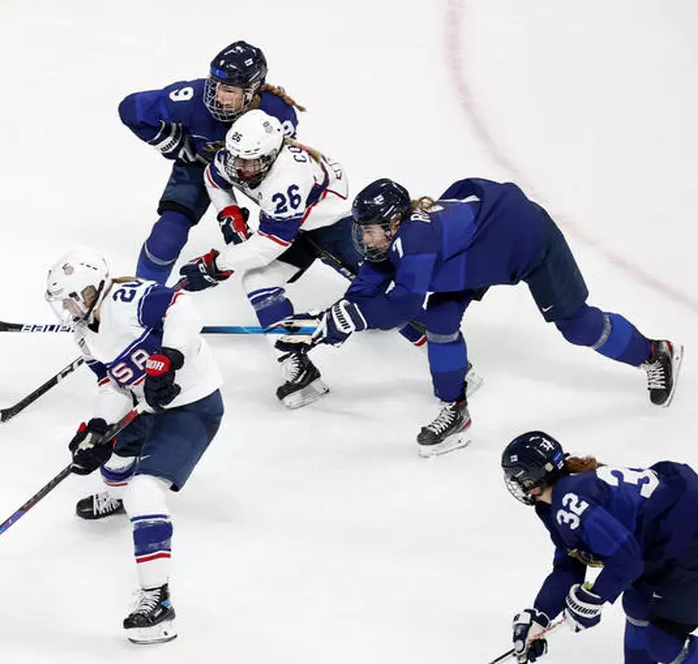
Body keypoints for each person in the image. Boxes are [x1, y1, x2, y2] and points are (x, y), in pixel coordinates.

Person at [277, 177, 682, 456]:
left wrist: (338, 321)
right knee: (441, 322)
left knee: (577, 325)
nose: (364, 239)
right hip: (473, 256)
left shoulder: (416, 240)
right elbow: (362, 295)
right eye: (362, 230)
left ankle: (654, 353)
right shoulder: (390, 241)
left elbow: (403, 306)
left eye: (370, 231)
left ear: (395, 223)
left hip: (527, 242)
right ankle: (455, 410)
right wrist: (318, 328)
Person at [175, 109, 468, 408]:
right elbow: (214, 177)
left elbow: (269, 245)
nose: (241, 168)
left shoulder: (287, 179)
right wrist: (229, 216)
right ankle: (297, 366)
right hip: (297, 228)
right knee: (258, 279)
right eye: (237, 159)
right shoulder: (240, 159)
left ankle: (452, 364)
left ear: (272, 155)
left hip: (336, 228)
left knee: (381, 298)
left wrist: (218, 264)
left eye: (250, 162)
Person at [45, 247, 223, 644]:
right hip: (145, 405)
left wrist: (168, 358)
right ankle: (115, 498)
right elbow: (113, 385)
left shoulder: (125, 299)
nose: (67, 309)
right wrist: (96, 430)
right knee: (112, 456)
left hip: (191, 405)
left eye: (71, 299)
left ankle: (158, 603)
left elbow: (181, 307)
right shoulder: (83, 335)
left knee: (144, 492)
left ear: (92, 290)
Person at [501, 431, 698, 663]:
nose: (515, 485)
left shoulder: (569, 501)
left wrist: (595, 597)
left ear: (532, 480)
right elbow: (569, 564)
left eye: (517, 477)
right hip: (668, 542)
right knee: (637, 605)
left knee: (664, 644)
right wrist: (541, 615)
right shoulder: (560, 498)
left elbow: (627, 560)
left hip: (687, 540)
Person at [118, 40, 303, 285]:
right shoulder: (193, 97)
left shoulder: (279, 114)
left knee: (297, 235)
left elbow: (284, 170)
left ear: (253, 89)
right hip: (201, 166)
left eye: (229, 90)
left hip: (254, 174)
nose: (218, 96)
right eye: (215, 85)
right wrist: (170, 141)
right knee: (166, 238)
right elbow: (131, 109)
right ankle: (142, 296)